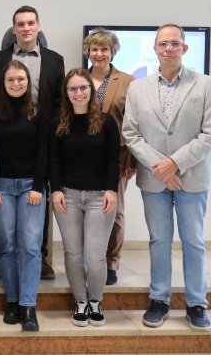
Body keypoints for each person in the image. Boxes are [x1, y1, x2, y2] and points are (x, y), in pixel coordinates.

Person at [122, 24, 211, 331]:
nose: (168, 49)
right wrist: (161, 167)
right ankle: (159, 300)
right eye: (163, 44)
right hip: (155, 179)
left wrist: (175, 164)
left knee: (193, 240)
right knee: (159, 240)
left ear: (184, 48)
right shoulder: (138, 88)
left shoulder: (205, 84)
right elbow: (131, 134)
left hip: (193, 174)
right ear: (155, 48)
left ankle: (196, 303)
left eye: (174, 44)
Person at [0, 5, 64, 280]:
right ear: (14, 29)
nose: (26, 28)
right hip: (8, 138)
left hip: (41, 140)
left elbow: (59, 101)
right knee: (6, 213)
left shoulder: (55, 60)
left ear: (38, 26)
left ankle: (39, 257)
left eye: (31, 23)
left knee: (38, 198)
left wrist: (50, 131)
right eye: (21, 24)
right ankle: (6, 260)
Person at [50, 68, 120, 328]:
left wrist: (111, 190)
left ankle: (96, 301)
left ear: (91, 90)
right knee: (73, 254)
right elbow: (54, 160)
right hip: (67, 196)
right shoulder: (59, 123)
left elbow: (113, 159)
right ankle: (80, 302)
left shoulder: (106, 122)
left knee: (95, 256)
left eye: (83, 88)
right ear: (66, 93)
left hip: (99, 197)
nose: (78, 93)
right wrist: (56, 190)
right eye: (73, 89)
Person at [0, 61, 48, 332]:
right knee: (8, 245)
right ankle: (12, 301)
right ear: (3, 83)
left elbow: (44, 151)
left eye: (20, 79)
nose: (16, 83)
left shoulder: (38, 111)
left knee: (32, 247)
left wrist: (38, 186)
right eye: (10, 79)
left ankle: (28, 305)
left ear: (28, 81)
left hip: (30, 188)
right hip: (0, 187)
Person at [84, 28, 135, 286]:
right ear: (88, 51)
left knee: (114, 210)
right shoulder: (78, 78)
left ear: (112, 52)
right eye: (94, 48)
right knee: (86, 211)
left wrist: (132, 160)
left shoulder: (127, 81)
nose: (99, 53)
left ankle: (111, 263)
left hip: (117, 156)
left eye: (104, 49)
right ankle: (91, 261)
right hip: (82, 156)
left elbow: (135, 123)